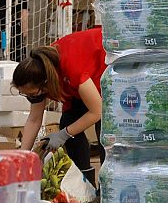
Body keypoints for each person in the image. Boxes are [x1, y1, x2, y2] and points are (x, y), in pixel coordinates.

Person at [13, 26, 106, 182]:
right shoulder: (40, 74)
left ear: (45, 83)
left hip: (106, 69)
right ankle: (85, 185)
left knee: (105, 130)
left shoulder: (71, 67)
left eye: (31, 93)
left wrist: (63, 134)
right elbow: (34, 119)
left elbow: (97, 111)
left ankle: (107, 191)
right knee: (68, 122)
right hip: (81, 87)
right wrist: (23, 157)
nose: (30, 97)